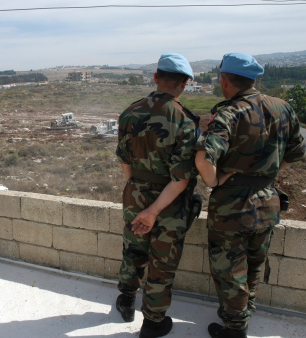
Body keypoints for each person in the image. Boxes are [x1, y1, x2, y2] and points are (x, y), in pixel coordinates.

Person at [195, 53, 306, 338]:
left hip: (232, 207)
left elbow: (204, 158)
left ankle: (235, 328)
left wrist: (215, 181)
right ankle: (244, 311)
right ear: (254, 79)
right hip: (268, 200)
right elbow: (297, 153)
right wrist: (267, 174)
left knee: (230, 270)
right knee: (255, 263)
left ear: (224, 81)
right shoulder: (282, 108)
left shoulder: (230, 112)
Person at [115, 52, 199, 338]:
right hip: (169, 203)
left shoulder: (130, 112)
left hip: (135, 191)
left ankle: (126, 300)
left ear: (155, 77)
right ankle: (152, 323)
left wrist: (136, 189)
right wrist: (154, 210)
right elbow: (181, 177)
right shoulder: (185, 120)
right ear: (184, 84)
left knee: (134, 249)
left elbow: (124, 160)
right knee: (162, 262)